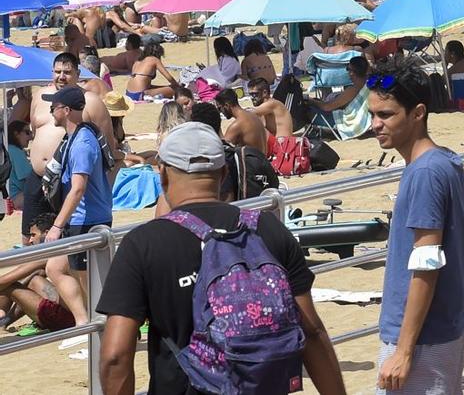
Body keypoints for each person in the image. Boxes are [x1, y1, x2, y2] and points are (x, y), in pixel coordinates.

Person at [97, 122, 346, 395]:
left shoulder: (143, 243)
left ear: (163, 174)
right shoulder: (267, 228)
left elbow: (116, 356)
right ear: (225, 172)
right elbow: (311, 331)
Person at [368, 63, 464, 394]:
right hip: (446, 332)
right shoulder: (448, 162)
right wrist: (463, 323)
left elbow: (426, 264)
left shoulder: (424, 175)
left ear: (418, 113)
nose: (376, 124)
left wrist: (404, 352)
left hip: (420, 341)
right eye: (373, 113)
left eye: (387, 115)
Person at [39, 83, 111, 330]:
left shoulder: (82, 142)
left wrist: (57, 226)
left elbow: (78, 188)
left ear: (66, 110)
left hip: (88, 220)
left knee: (90, 282)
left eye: (53, 107)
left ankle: (102, 331)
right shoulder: (74, 137)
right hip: (81, 218)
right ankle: (84, 323)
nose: (50, 111)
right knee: (55, 267)